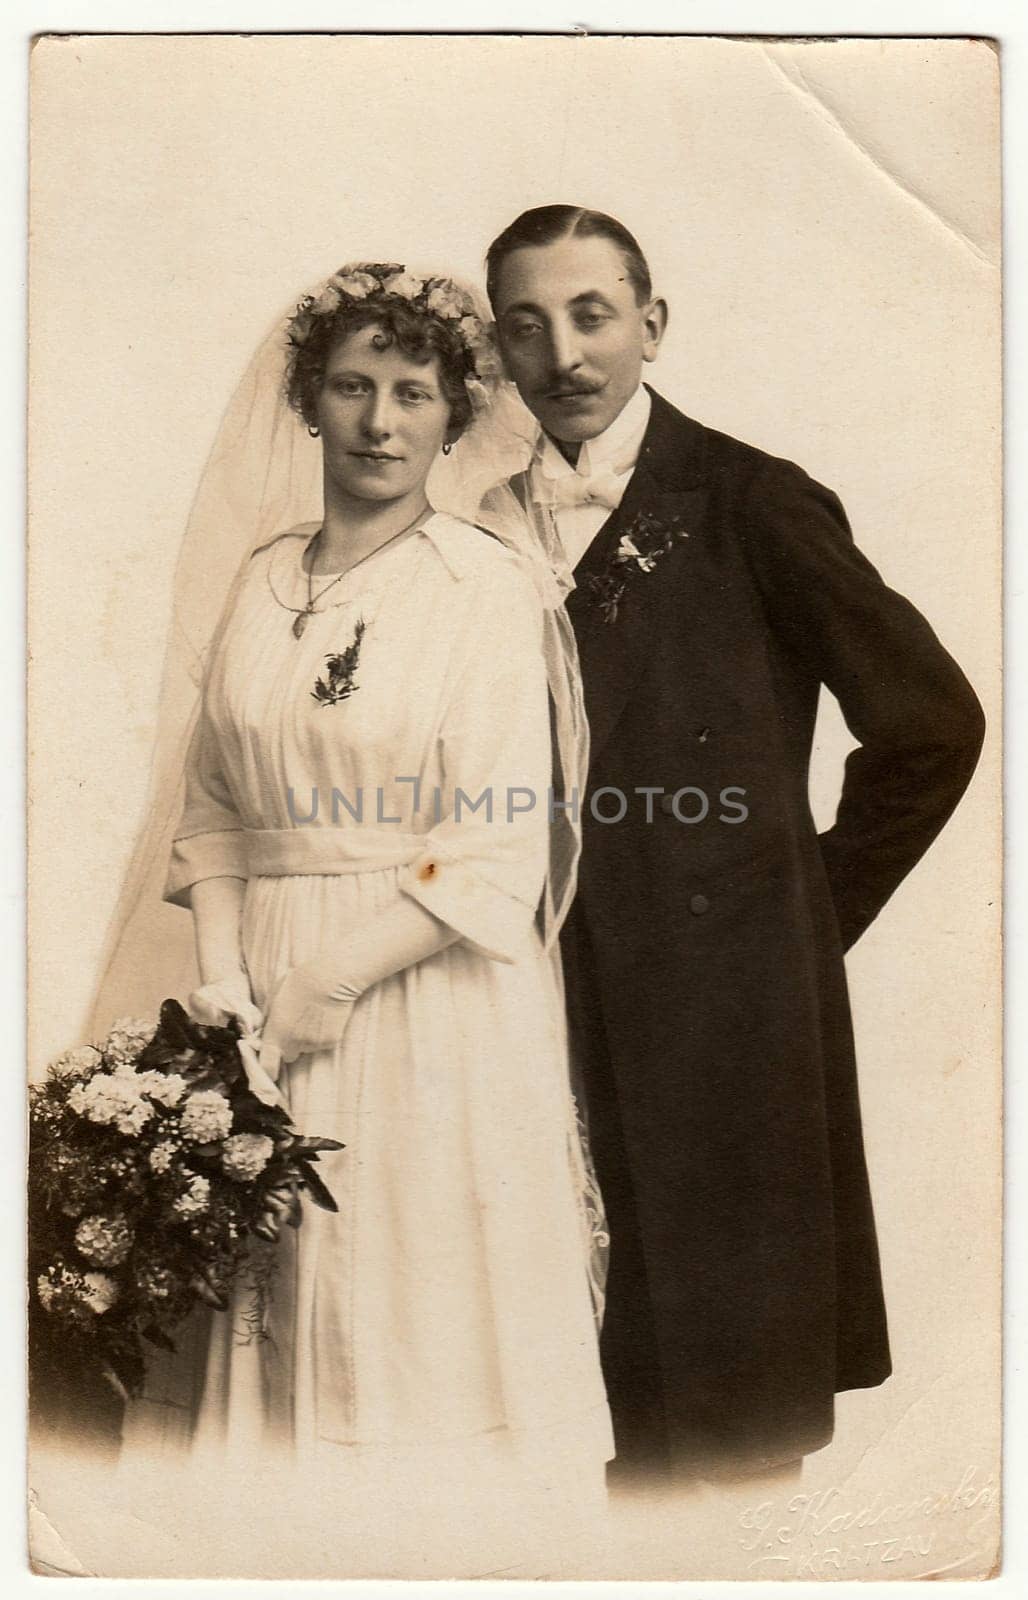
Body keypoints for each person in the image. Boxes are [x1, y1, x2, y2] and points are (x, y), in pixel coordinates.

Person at [106, 261, 612, 1576]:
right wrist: (223, 989)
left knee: (397, 1288)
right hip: (257, 980)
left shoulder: (484, 588)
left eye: (412, 393)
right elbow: (214, 802)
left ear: (455, 415)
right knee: (271, 1275)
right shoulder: (262, 578)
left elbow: (500, 835)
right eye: (351, 390)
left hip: (418, 988)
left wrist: (329, 979)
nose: (381, 424)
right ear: (307, 405)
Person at [484, 205, 986, 1486]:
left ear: (651, 325)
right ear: (497, 350)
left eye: (592, 313)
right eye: (528, 325)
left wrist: (800, 909)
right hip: (541, 1008)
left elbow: (931, 725)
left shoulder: (753, 498)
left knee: (733, 1417)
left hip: (729, 1023)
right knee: (587, 1410)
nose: (565, 353)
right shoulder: (476, 529)